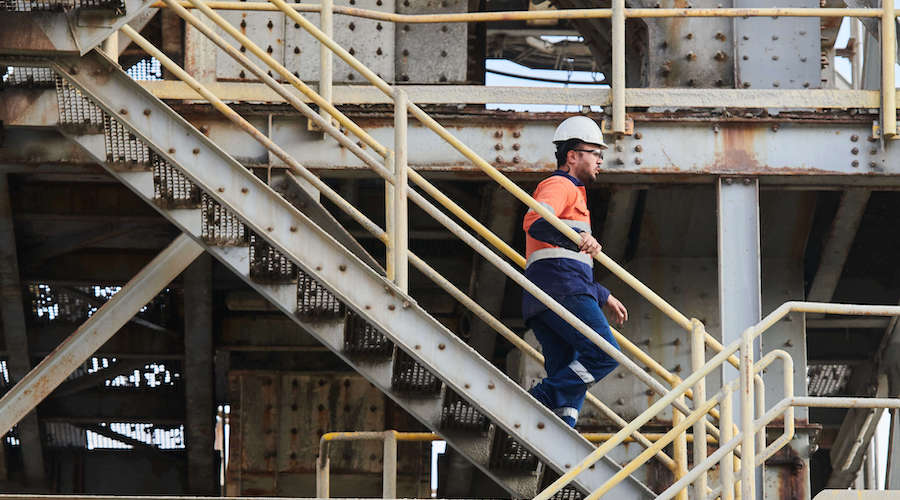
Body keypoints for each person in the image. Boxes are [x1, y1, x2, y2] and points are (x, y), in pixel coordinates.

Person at [522, 115, 628, 428]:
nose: (600, 160)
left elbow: (570, 259)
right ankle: (540, 398)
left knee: (567, 375)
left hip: (548, 295)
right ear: (572, 156)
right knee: (605, 354)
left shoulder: (575, 194)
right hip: (563, 290)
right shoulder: (561, 185)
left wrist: (603, 294)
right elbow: (535, 222)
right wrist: (577, 237)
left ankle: (561, 433)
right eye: (595, 153)